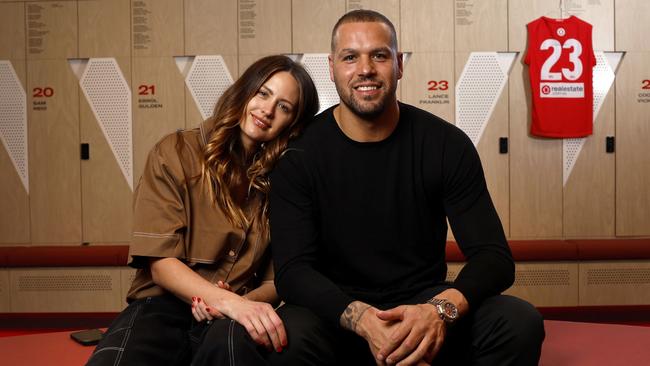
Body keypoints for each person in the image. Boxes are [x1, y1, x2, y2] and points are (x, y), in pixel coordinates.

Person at [268, 10, 545, 366]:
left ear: (398, 64)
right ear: (332, 67)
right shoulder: (299, 155)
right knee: (287, 338)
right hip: (338, 313)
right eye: (350, 57)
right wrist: (364, 320)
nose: (365, 68)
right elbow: (293, 272)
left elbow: (494, 259)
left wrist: (437, 311)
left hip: (422, 308)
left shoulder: (445, 144)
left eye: (379, 55)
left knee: (518, 323)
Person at [86, 55, 319, 366]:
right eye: (263, 93)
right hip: (162, 305)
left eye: (284, 107)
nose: (267, 110)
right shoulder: (175, 153)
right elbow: (161, 262)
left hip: (235, 317)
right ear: (245, 91)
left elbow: (278, 279)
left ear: (291, 124)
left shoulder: (283, 180)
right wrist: (221, 300)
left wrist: (237, 305)